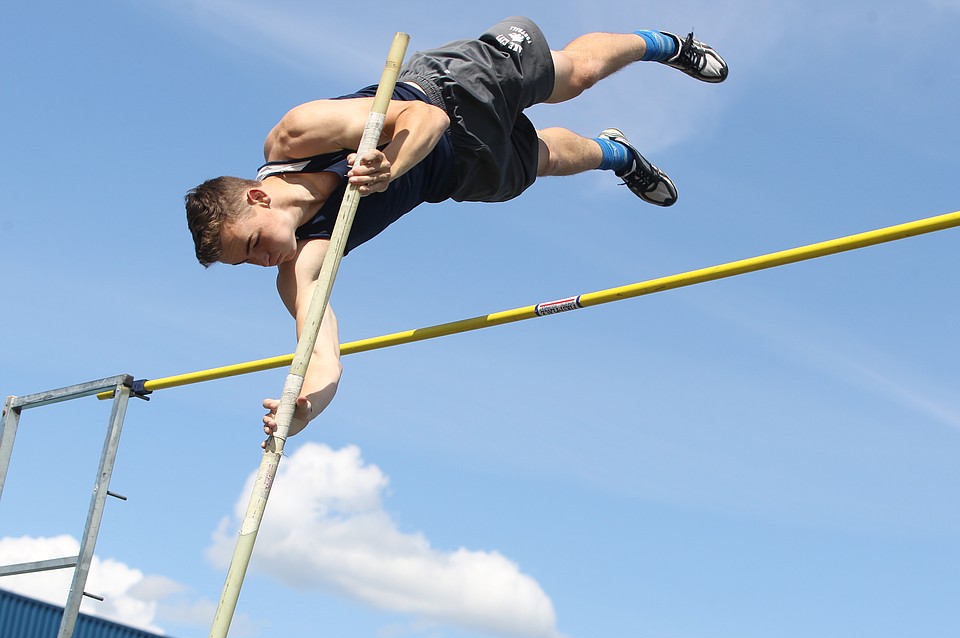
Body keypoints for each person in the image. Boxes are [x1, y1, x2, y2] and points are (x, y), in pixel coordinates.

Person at [184, 17, 728, 439]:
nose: (260, 262)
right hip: (455, 171)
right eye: (244, 263)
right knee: (547, 161)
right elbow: (322, 352)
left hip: (452, 90)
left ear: (258, 197)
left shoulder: (295, 137)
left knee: (576, 76)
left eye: (251, 245)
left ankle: (667, 44)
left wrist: (389, 166)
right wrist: (308, 406)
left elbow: (426, 120)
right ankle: (618, 154)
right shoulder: (301, 264)